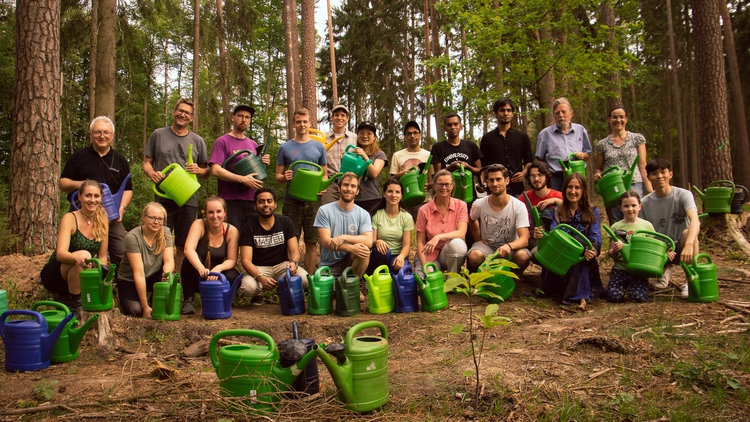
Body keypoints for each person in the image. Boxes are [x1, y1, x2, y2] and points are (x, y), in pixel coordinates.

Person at [143, 98, 209, 273]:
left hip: (188, 198)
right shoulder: (158, 135)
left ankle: (177, 285)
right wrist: (152, 173)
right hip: (163, 198)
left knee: (183, 244)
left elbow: (207, 171)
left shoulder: (198, 140)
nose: (182, 114)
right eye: (180, 110)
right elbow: (146, 163)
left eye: (187, 112)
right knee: (159, 242)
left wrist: (199, 170)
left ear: (192, 118)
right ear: (173, 112)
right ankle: (158, 284)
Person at [59, 116, 132, 268]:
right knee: (75, 254)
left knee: (122, 254)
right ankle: (72, 289)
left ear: (112, 135)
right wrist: (80, 184)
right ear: (91, 134)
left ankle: (119, 288)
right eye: (97, 132)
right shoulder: (78, 157)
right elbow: (62, 183)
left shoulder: (120, 160)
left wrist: (122, 209)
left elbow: (128, 189)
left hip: (110, 216)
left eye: (106, 132)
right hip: (81, 214)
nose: (102, 136)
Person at [533, 173, 603, 309]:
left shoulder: (593, 210)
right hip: (559, 256)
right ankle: (557, 288)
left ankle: (578, 292)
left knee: (579, 245)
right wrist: (541, 235)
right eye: (570, 187)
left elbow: (595, 237)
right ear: (564, 189)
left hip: (581, 257)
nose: (573, 191)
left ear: (583, 191)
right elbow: (552, 236)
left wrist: (592, 251)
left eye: (577, 187)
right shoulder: (554, 212)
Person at [40, 180, 109, 314]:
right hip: (57, 272)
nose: (92, 200)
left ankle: (70, 299)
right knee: (84, 255)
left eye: (96, 196)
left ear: (101, 198)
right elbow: (60, 254)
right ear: (80, 196)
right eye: (88, 195)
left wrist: (101, 277)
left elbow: (102, 256)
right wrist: (77, 257)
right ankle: (75, 303)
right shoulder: (70, 218)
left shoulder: (103, 220)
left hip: (81, 273)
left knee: (87, 262)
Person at [275, 108, 328, 273]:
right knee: (290, 240)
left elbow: (325, 174)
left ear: (310, 123)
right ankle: (290, 278)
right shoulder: (285, 147)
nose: (302, 125)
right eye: (298, 122)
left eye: (305, 121)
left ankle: (310, 280)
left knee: (312, 242)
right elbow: (278, 176)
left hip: (313, 202)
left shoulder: (319, 147)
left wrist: (322, 188)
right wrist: (285, 177)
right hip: (292, 200)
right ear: (293, 124)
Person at [640, 158, 700, 299]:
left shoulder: (683, 195)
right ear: (648, 177)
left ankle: (690, 280)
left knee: (689, 234)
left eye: (663, 172)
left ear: (670, 174)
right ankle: (664, 271)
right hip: (658, 251)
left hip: (681, 246)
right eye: (654, 173)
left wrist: (689, 244)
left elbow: (695, 220)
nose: (660, 176)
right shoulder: (645, 203)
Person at [239, 188, 309, 305]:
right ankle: (258, 294)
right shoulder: (248, 227)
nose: (266, 204)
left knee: (305, 279)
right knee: (248, 287)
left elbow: (295, 252)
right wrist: (260, 278)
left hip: (282, 265)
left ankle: (282, 289)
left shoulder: (285, 222)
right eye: (261, 201)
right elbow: (245, 261)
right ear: (255, 206)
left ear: (275, 204)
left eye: (269, 201)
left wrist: (293, 263)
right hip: (259, 268)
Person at [209, 104, 271, 230]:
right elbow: (215, 170)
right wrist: (242, 179)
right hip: (230, 200)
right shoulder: (222, 141)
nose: (244, 120)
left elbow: (257, 171)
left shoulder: (252, 144)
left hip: (252, 200)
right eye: (240, 116)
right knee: (232, 240)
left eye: (247, 117)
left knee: (250, 242)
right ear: (233, 118)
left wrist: (263, 161)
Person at [606, 191, 676, 303]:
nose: (630, 209)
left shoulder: (646, 226)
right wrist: (615, 250)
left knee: (639, 298)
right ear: (620, 208)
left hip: (639, 270)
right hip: (620, 268)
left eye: (633, 205)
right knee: (613, 297)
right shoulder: (616, 226)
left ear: (640, 206)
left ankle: (633, 288)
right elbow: (610, 253)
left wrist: (665, 256)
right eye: (626, 206)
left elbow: (651, 251)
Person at [179, 197, 241, 314]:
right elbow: (188, 249)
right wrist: (200, 268)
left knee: (233, 275)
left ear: (225, 212)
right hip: (199, 274)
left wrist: (218, 269)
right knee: (188, 261)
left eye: (218, 211)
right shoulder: (199, 224)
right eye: (211, 212)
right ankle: (188, 300)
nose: (215, 216)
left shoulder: (231, 231)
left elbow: (232, 260)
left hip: (217, 276)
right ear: (205, 214)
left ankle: (221, 299)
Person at [467, 165, 531, 274]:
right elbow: (472, 219)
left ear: (507, 181)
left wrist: (509, 246)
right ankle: (484, 277)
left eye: (498, 179)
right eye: (491, 180)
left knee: (523, 256)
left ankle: (510, 278)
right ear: (487, 182)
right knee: (474, 255)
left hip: (511, 248)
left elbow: (524, 239)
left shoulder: (518, 206)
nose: (495, 183)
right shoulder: (479, 204)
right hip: (488, 247)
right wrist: (478, 239)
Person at [430, 113, 482, 247]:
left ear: (461, 126)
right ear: (444, 128)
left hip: (469, 197)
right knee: (449, 235)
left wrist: (468, 167)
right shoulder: (438, 147)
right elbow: (437, 173)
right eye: (449, 125)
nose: (453, 127)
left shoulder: (470, 146)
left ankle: (473, 264)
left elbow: (480, 170)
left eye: (455, 124)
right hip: (447, 198)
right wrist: (452, 167)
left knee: (472, 233)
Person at [594, 106, 652, 224]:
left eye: (621, 117)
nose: (618, 120)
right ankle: (617, 242)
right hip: (612, 187)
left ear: (626, 119)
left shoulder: (637, 139)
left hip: (633, 183)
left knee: (636, 219)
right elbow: (599, 168)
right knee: (616, 221)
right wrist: (598, 175)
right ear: (609, 120)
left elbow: (642, 165)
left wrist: (650, 190)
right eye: (614, 117)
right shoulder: (602, 144)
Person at [118, 203, 175, 318]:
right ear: (144, 217)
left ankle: (155, 301)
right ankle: (144, 303)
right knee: (135, 311)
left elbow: (169, 260)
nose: (156, 222)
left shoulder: (166, 232)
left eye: (160, 219)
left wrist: (166, 273)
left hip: (152, 275)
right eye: (152, 218)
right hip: (130, 280)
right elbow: (138, 273)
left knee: (172, 276)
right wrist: (144, 306)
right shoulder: (132, 238)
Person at [314, 173, 373, 286]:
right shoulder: (324, 210)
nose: (349, 189)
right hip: (329, 264)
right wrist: (350, 248)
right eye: (346, 185)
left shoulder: (363, 214)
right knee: (325, 295)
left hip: (351, 263)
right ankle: (341, 286)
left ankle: (353, 286)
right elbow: (326, 242)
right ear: (339, 188)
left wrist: (343, 237)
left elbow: (369, 241)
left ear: (357, 191)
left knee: (364, 251)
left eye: (353, 186)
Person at [414, 169, 468, 280]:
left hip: (449, 252)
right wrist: (425, 267)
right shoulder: (424, 210)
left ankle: (451, 280)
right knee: (424, 278)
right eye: (440, 184)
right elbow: (420, 242)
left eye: (447, 184)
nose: (444, 188)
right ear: (434, 185)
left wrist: (437, 237)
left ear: (452, 185)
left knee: (458, 244)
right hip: (429, 254)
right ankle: (430, 273)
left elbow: (461, 233)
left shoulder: (461, 206)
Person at [480, 98, 534, 197]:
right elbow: (483, 166)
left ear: (512, 113)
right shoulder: (487, 138)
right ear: (496, 113)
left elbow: (529, 161)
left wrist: (523, 173)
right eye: (502, 110)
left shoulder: (522, 137)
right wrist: (481, 183)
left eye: (508, 110)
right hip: (494, 188)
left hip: (517, 188)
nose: (506, 113)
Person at [535, 98, 592, 191]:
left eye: (564, 112)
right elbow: (540, 161)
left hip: (577, 176)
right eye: (557, 113)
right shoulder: (545, 134)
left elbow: (588, 155)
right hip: (555, 179)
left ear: (571, 113)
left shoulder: (580, 130)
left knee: (577, 204)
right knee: (555, 205)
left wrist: (582, 156)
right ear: (553, 115)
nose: (561, 115)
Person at [368, 178, 414, 274]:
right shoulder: (377, 215)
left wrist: (401, 257)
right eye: (390, 191)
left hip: (398, 255)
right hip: (380, 255)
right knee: (385, 253)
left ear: (401, 195)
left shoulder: (406, 217)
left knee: (402, 271)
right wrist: (377, 242)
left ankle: (392, 275)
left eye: (397, 192)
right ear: (384, 194)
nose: (393, 195)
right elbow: (371, 243)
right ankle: (377, 274)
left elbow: (406, 246)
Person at [390, 121, 433, 221]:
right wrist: (399, 175)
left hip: (424, 200)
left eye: (415, 133)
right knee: (403, 233)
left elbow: (435, 180)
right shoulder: (397, 155)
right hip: (404, 201)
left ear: (420, 135)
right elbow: (391, 179)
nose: (412, 136)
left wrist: (428, 185)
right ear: (405, 137)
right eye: (409, 134)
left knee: (426, 232)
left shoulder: (428, 155)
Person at [322, 104, 357, 204]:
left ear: (347, 118)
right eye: (336, 115)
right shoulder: (324, 138)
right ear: (332, 118)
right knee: (329, 213)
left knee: (348, 213)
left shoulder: (355, 138)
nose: (339, 118)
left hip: (349, 183)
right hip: (329, 183)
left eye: (342, 115)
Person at [353, 121, 388, 213]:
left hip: (372, 199)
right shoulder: (353, 154)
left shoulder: (379, 154)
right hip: (353, 198)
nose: (365, 136)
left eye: (369, 133)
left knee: (371, 227)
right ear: (358, 135)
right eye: (362, 133)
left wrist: (365, 156)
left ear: (374, 137)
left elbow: (374, 173)